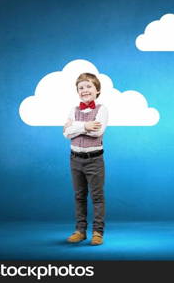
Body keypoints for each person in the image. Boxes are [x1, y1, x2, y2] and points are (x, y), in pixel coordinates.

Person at [63, 73, 108, 246]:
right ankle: (80, 231)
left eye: (89, 86)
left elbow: (97, 132)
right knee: (79, 196)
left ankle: (97, 232)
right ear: (77, 92)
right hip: (75, 159)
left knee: (97, 196)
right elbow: (66, 133)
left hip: (94, 159)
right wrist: (85, 126)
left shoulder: (102, 109)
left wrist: (75, 127)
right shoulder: (73, 110)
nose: (85, 90)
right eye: (81, 88)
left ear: (97, 90)